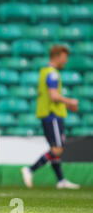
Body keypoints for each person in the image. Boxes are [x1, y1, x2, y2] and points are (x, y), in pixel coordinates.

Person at [21, 45, 80, 190]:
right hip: (52, 115)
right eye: (64, 58)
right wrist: (70, 102)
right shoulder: (53, 74)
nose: (65, 61)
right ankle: (30, 169)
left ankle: (60, 180)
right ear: (58, 56)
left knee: (55, 149)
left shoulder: (44, 72)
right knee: (57, 149)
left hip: (47, 114)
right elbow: (53, 96)